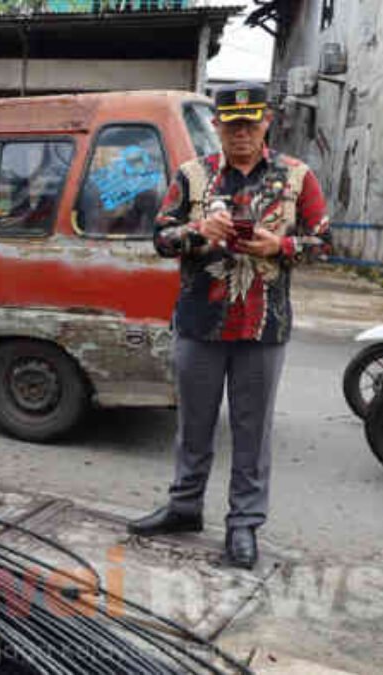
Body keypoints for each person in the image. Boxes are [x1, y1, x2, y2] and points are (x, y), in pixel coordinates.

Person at [126, 82, 331, 569]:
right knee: (193, 424)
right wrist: (198, 231)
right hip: (199, 322)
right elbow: (160, 238)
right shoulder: (193, 175)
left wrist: (280, 246)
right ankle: (184, 507)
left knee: (251, 432)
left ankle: (243, 525)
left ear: (266, 123)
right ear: (217, 126)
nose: (242, 133)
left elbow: (324, 243)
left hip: (263, 327)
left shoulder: (297, 176)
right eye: (232, 125)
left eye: (250, 124)